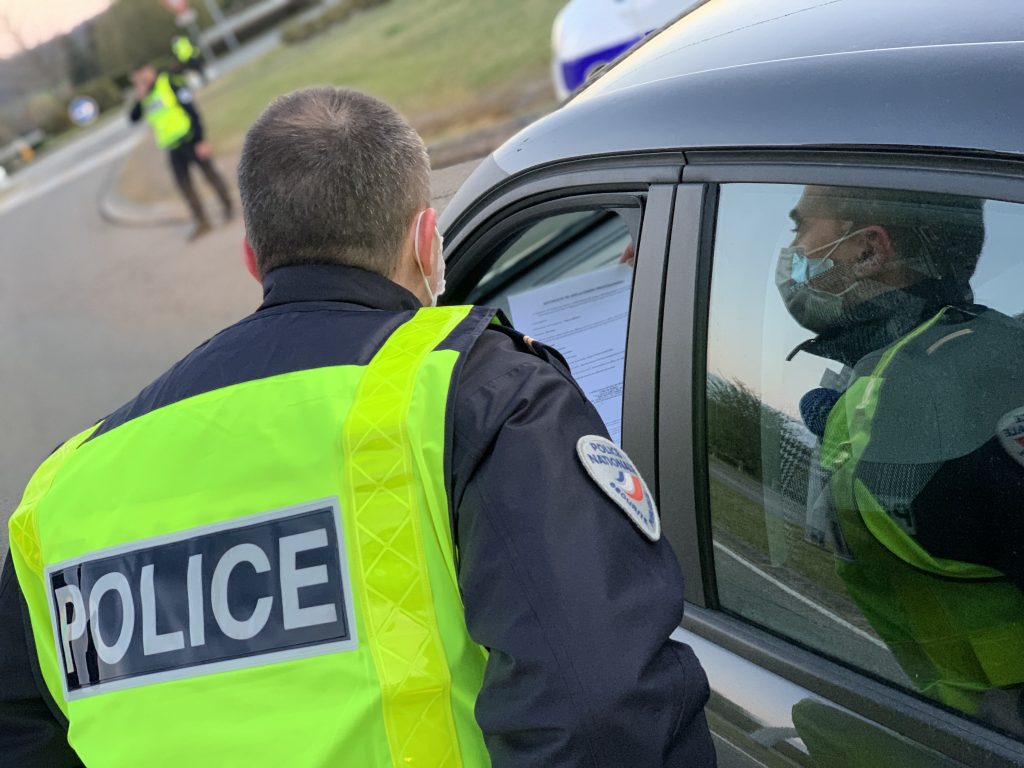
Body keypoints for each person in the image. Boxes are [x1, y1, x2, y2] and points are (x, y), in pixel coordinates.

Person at [0, 87, 714, 766]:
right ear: (428, 240)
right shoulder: (475, 398)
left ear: (254, 258)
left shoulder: (58, 498)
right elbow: (600, 717)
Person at [776, 185, 1024, 734]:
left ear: (867, 251)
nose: (790, 248)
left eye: (799, 228)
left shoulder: (946, 399)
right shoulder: (916, 365)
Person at [128, 64, 232, 241]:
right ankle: (202, 222)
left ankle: (228, 207)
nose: (141, 79)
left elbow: (191, 110)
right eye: (137, 77)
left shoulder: (169, 83)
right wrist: (140, 97)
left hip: (189, 139)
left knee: (209, 175)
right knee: (184, 186)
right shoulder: (144, 95)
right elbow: (133, 118)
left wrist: (200, 139)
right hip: (172, 146)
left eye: (142, 73)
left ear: (151, 70)